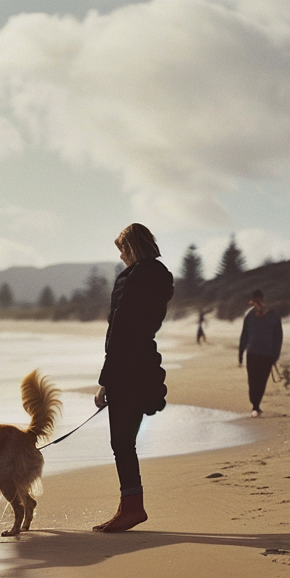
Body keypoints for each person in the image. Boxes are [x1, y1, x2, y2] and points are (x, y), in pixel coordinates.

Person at [93, 223, 175, 532]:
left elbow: (120, 331)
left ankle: (132, 508)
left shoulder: (133, 278)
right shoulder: (161, 275)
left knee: (122, 441)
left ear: (132, 248)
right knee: (126, 440)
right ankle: (130, 506)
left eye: (123, 250)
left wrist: (105, 379)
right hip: (146, 362)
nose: (121, 256)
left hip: (127, 366)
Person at [238, 289, 282, 417]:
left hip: (267, 354)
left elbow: (278, 336)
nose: (255, 304)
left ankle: (256, 405)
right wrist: (241, 353)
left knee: (262, 382)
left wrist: (276, 355)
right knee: (252, 381)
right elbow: (244, 335)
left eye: (257, 301)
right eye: (253, 302)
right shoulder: (249, 316)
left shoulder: (274, 315)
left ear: (262, 300)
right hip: (252, 353)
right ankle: (255, 405)